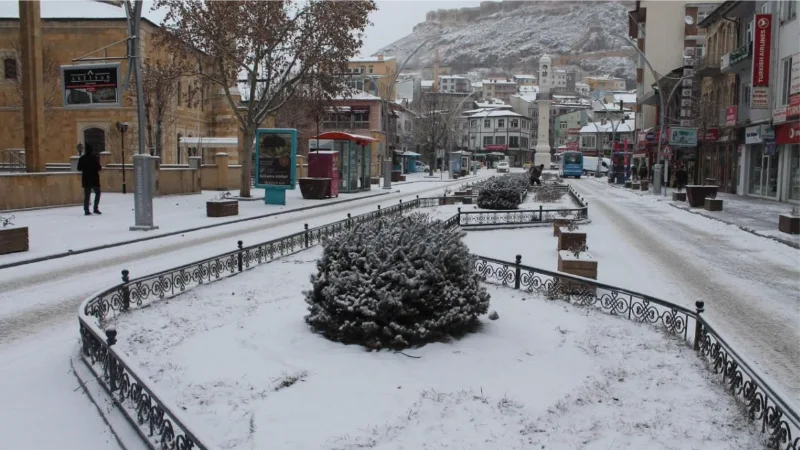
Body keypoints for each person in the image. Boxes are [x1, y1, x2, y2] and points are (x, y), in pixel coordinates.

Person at [77, 144, 102, 215]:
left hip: (86, 179)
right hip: (94, 179)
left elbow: (79, 168)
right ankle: (95, 208)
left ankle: (86, 210)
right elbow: (99, 168)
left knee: (87, 195)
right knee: (98, 193)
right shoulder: (95, 158)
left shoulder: (82, 158)